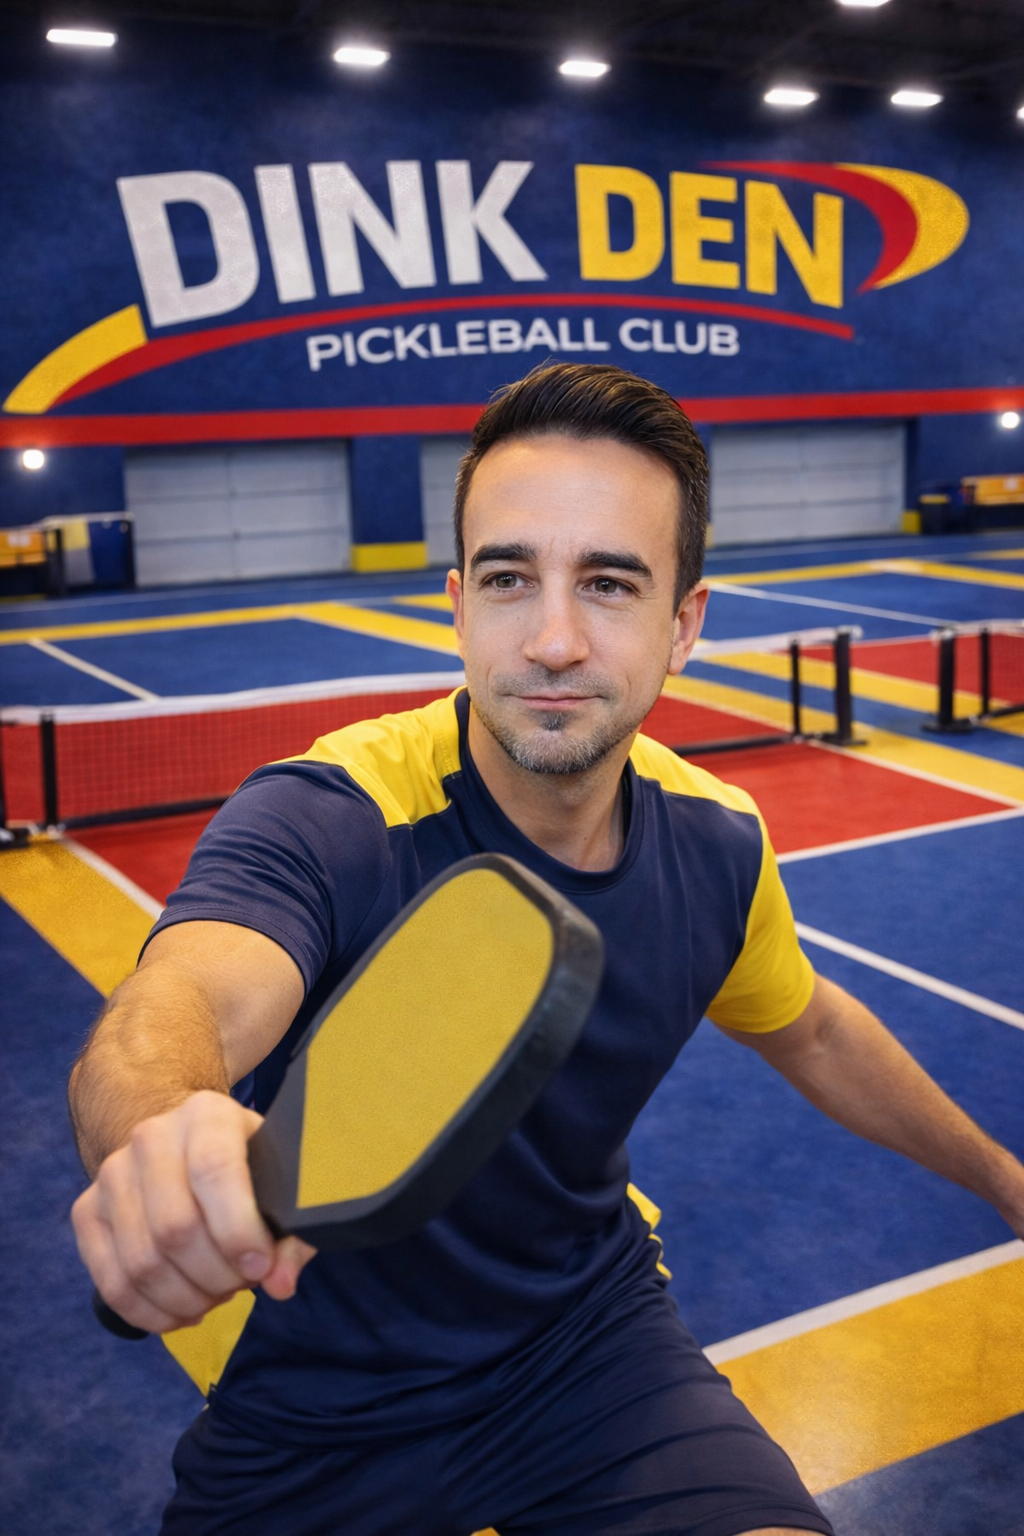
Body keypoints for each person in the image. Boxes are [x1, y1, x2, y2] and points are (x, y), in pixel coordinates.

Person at [70, 363, 1024, 1536]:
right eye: (512, 578)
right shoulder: (330, 813)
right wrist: (162, 1121)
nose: (556, 639)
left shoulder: (717, 846)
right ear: (457, 603)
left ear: (684, 626)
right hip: (324, 1395)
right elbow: (182, 1001)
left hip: (586, 1350)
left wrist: (1004, 1179)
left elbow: (813, 1025)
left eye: (610, 583)